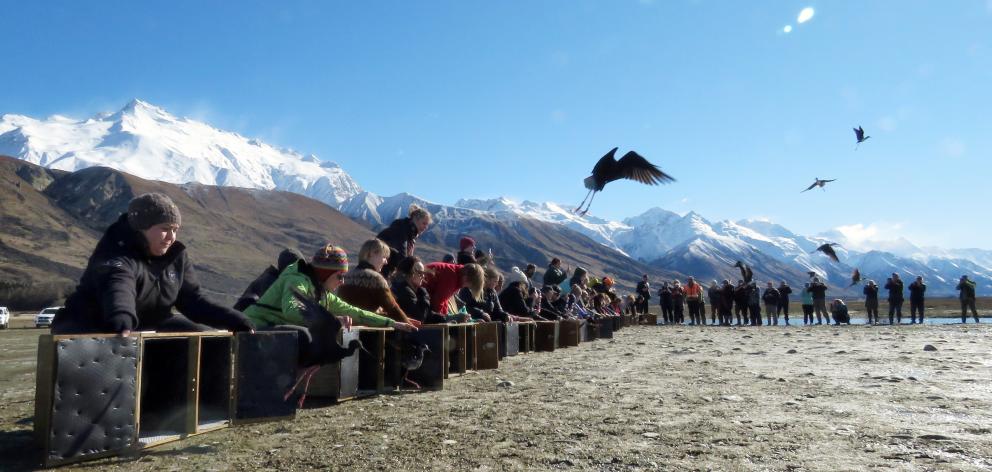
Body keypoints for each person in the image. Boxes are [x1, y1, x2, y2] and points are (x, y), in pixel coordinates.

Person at [53, 193, 255, 335]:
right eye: (165, 228)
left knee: (203, 339)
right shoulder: (116, 253)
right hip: (93, 325)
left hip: (149, 324)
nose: (171, 237)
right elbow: (118, 287)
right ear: (142, 227)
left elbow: (193, 301)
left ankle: (201, 397)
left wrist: (235, 320)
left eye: (175, 229)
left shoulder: (175, 256)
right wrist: (122, 320)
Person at [244, 244, 416, 361]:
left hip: (272, 330)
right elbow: (292, 311)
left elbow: (355, 311)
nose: (342, 282)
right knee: (306, 336)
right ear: (325, 273)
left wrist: (392, 323)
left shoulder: (321, 290)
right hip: (253, 328)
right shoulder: (297, 281)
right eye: (340, 276)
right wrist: (330, 320)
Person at [337, 239, 416, 325]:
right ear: (372, 254)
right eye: (384, 257)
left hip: (346, 329)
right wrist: (409, 326)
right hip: (369, 332)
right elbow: (392, 308)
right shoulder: (375, 278)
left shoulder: (347, 276)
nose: (386, 262)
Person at [376, 203, 432, 277]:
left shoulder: (409, 233)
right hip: (381, 268)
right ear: (415, 219)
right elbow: (402, 257)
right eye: (424, 223)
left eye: (427, 225)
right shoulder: (401, 230)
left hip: (384, 268)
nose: (425, 227)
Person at [391, 256, 450, 324]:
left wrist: (446, 318)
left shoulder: (410, 290)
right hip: (405, 333)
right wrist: (424, 294)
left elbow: (427, 314)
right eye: (420, 273)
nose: (423, 276)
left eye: (423, 273)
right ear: (410, 273)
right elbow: (420, 318)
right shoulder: (405, 292)